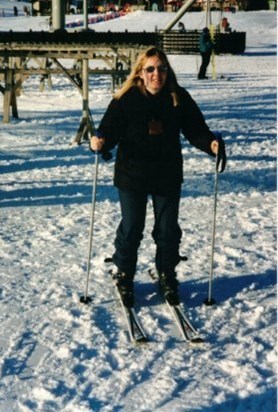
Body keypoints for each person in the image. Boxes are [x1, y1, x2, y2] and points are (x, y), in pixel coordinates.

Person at [90, 46, 226, 307]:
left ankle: (166, 273)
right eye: (150, 69)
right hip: (133, 174)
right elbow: (110, 128)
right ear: (140, 72)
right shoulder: (127, 99)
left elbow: (196, 128)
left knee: (167, 230)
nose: (156, 74)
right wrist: (101, 140)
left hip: (166, 173)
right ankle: (124, 274)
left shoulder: (177, 97)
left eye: (161, 69)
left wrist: (210, 144)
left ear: (168, 71)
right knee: (132, 227)